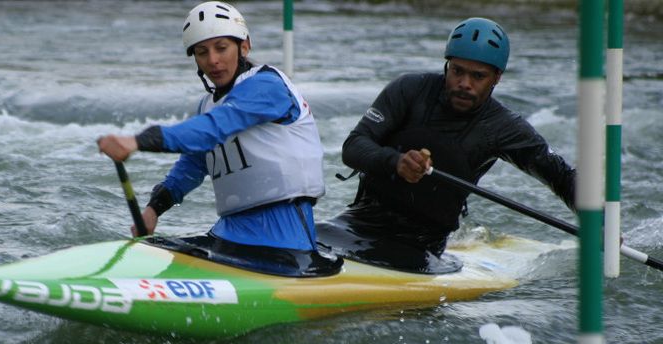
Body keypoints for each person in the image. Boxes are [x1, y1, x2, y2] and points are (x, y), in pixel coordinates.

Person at [319, 17, 576, 265]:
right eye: (457, 71)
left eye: (478, 76)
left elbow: (562, 177)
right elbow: (353, 145)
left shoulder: (504, 127)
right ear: (447, 66)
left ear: (497, 77)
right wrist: (395, 161)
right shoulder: (409, 89)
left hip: (421, 245)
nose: (464, 83)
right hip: (357, 222)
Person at [97, 1, 325, 254]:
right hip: (229, 231)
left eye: (221, 48)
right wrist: (153, 209)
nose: (213, 60)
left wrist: (139, 141)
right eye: (202, 52)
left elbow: (214, 128)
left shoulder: (267, 86)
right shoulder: (208, 105)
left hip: (285, 236)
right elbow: (194, 164)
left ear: (244, 47)